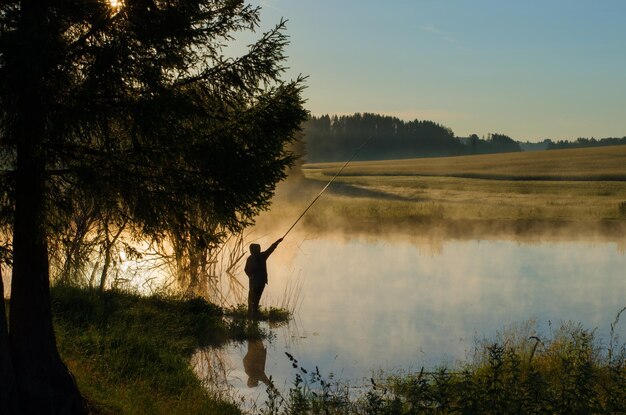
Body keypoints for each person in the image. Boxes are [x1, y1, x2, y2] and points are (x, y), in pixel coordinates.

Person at [244, 238, 282, 320]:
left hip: (254, 281)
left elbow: (246, 270)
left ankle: (250, 314)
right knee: (256, 298)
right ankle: (254, 314)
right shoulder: (262, 256)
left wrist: (250, 276)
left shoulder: (250, 258)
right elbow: (271, 249)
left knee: (251, 298)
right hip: (260, 282)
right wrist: (277, 242)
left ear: (251, 250)